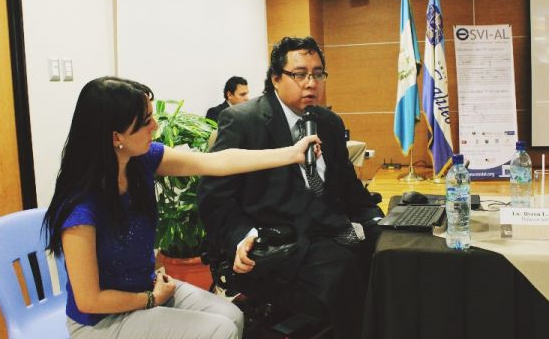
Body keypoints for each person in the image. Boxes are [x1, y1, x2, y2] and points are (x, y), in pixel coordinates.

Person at [42, 76, 319, 339]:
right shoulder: (81, 208)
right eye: (146, 121)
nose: (155, 127)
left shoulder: (141, 161)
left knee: (232, 316)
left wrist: (291, 154)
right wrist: (150, 299)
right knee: (218, 331)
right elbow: (89, 300)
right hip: (101, 322)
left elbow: (217, 162)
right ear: (117, 137)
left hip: (148, 289)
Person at [198, 36, 384, 339]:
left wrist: (378, 222)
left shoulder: (329, 123)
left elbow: (350, 189)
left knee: (388, 258)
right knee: (346, 274)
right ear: (275, 78)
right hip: (277, 240)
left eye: (318, 73)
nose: (311, 83)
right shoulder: (243, 121)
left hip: (330, 231)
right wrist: (242, 238)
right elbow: (214, 199)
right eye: (300, 74)